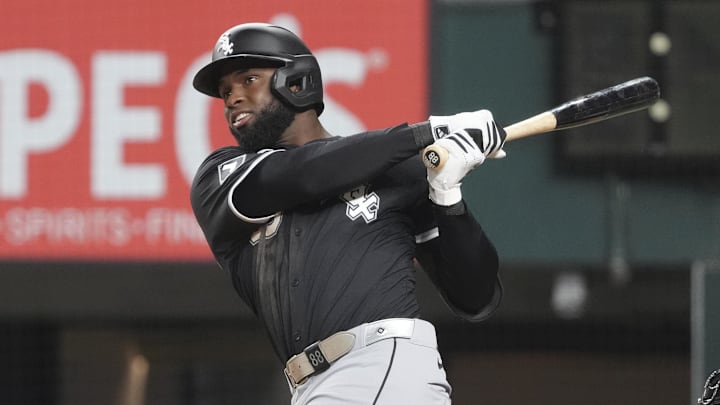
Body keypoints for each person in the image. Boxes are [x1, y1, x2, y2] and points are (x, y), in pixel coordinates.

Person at [190, 22, 506, 405]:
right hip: (311, 386)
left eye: (249, 80)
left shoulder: (395, 171)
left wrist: (448, 197)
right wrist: (426, 132)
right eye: (225, 92)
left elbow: (475, 297)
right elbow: (305, 174)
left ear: (296, 82)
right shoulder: (219, 177)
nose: (233, 99)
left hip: (380, 363)